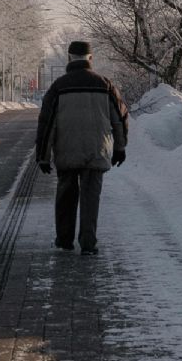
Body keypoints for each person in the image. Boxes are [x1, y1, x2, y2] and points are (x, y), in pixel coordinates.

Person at [35, 40, 129, 255]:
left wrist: (43, 155)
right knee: (90, 199)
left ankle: (65, 240)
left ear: (69, 58)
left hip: (66, 152)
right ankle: (88, 244)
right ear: (91, 58)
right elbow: (120, 119)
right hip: (96, 152)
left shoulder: (58, 87)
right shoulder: (105, 85)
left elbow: (47, 123)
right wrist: (120, 148)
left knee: (66, 197)